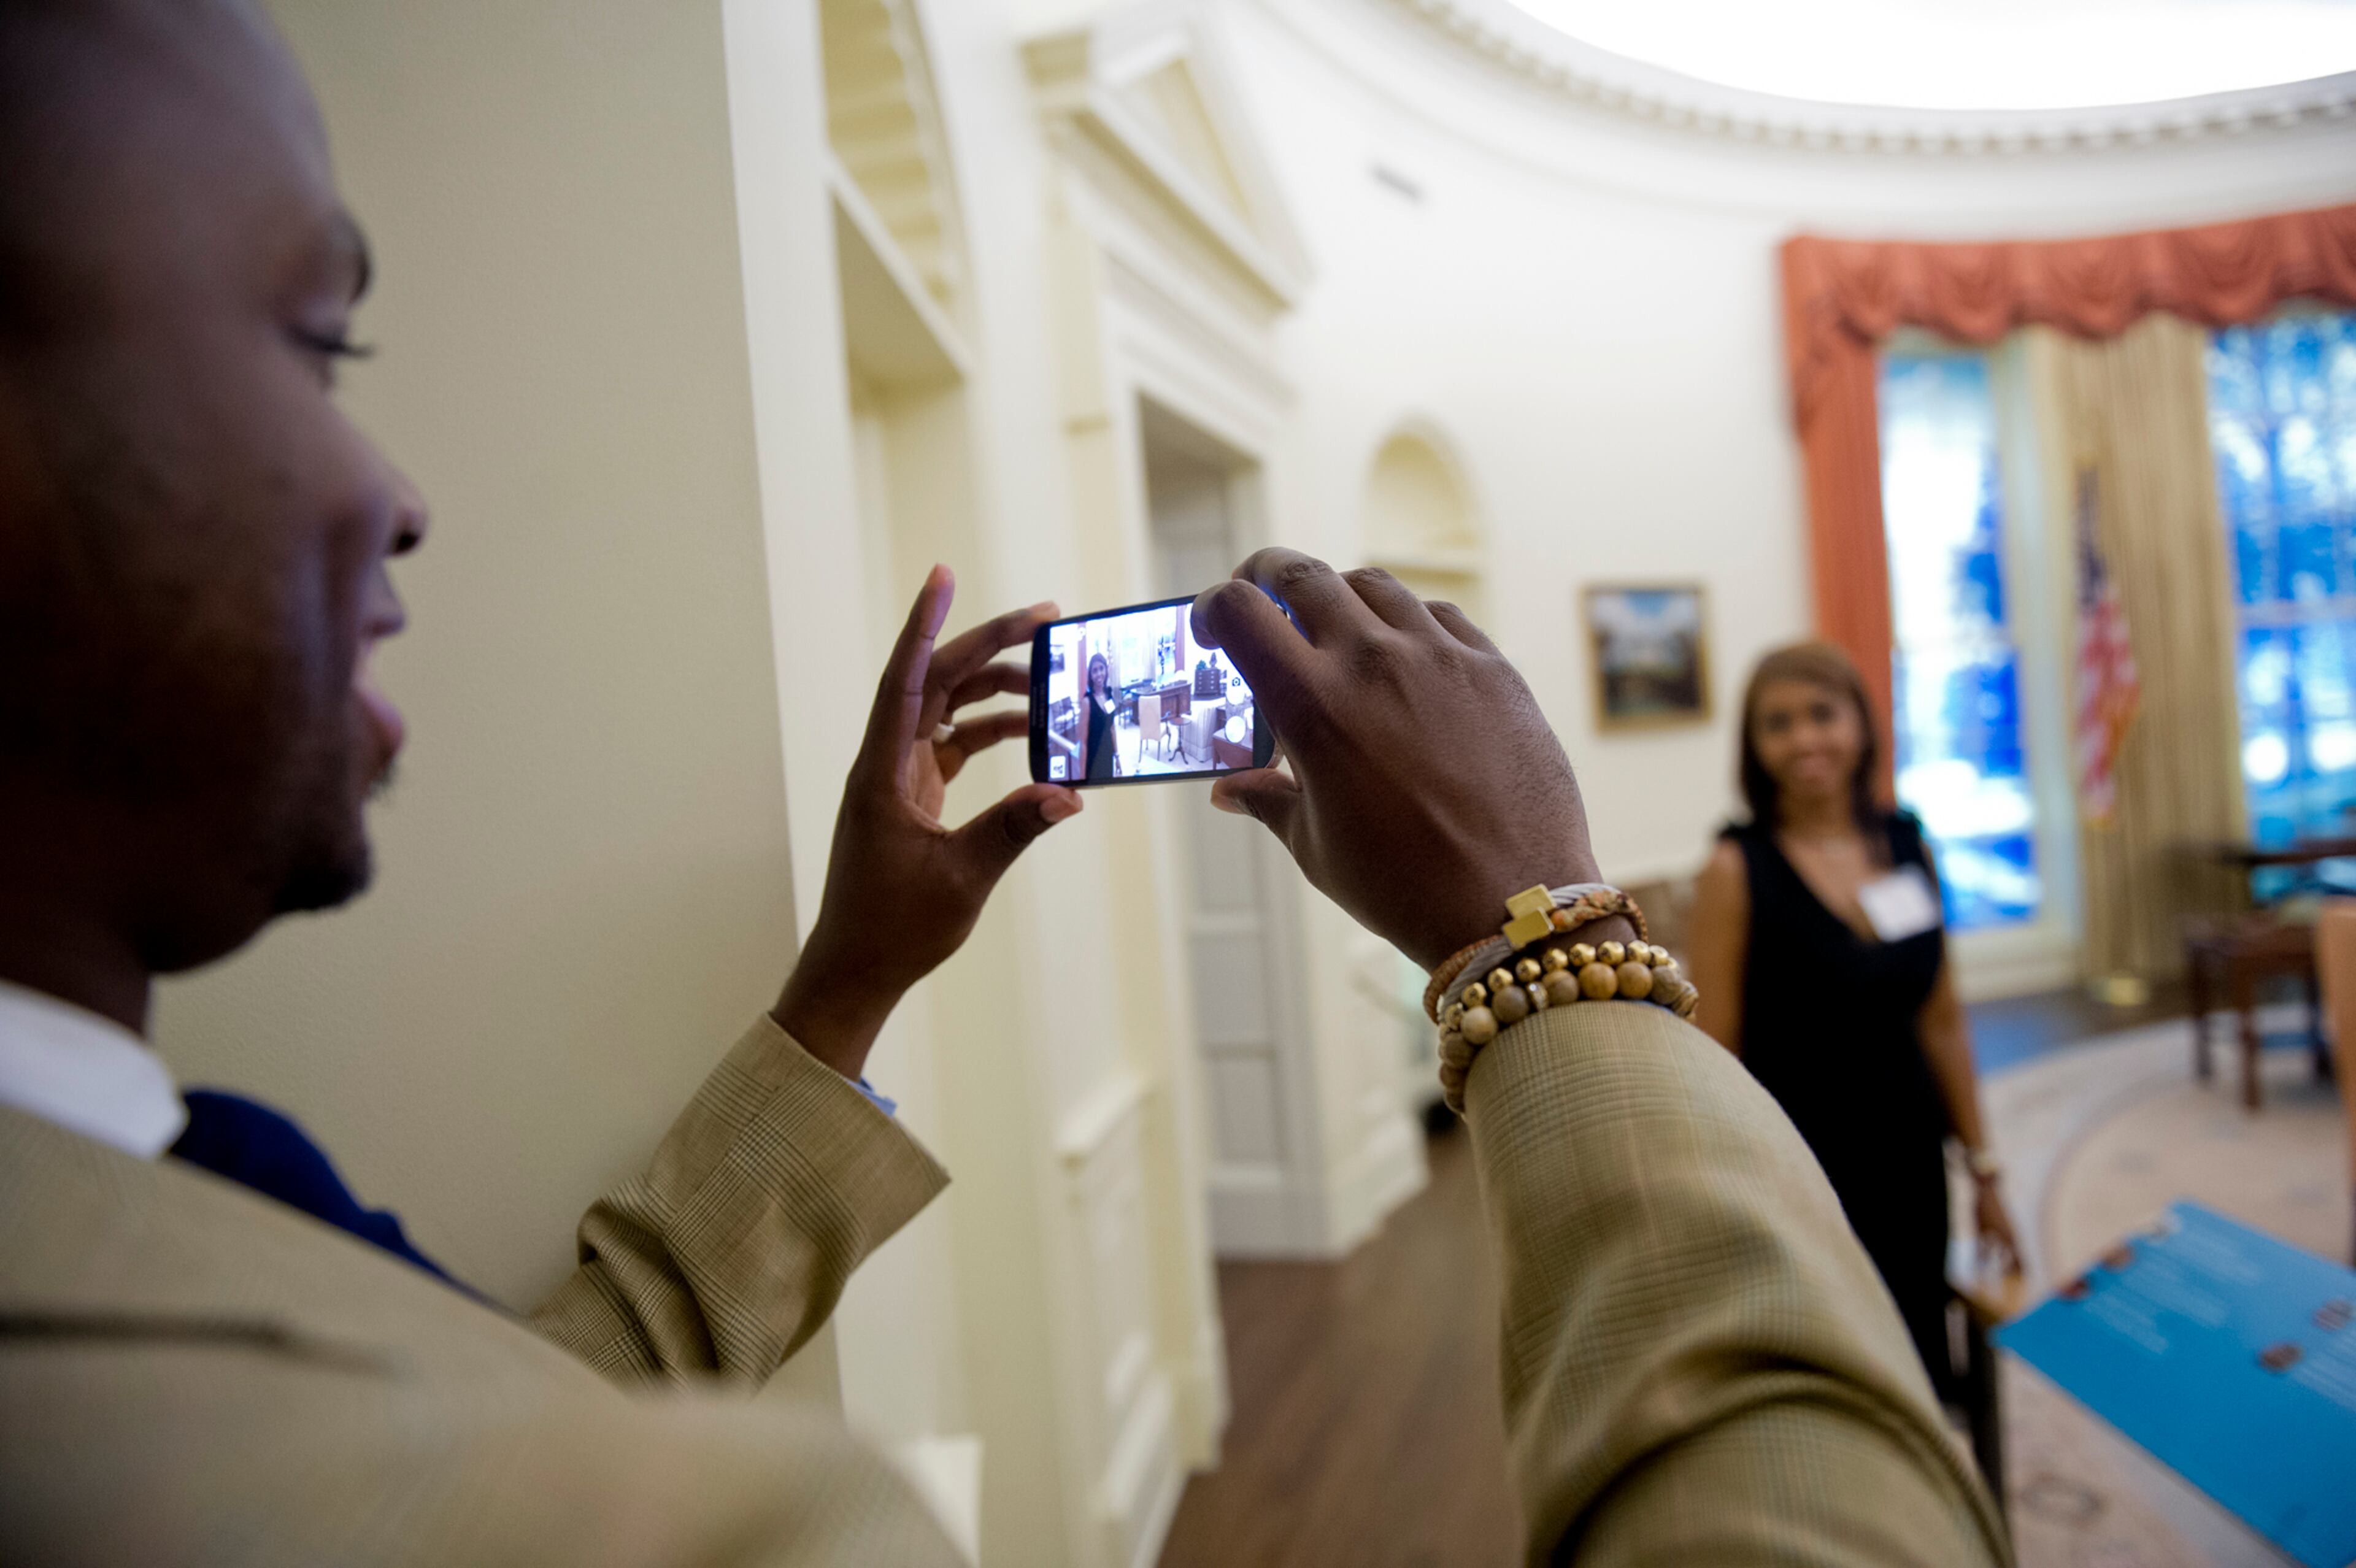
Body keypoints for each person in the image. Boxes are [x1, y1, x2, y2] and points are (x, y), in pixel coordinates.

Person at [0, 4, 2006, 1564]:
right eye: (316, 339)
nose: (399, 490)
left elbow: (519, 1391)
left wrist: (846, 985)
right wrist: (1537, 932)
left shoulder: (188, 1200)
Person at [1686, 642, 2022, 1403]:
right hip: (1801, 1164)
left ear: (1861, 727)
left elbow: (1941, 1021)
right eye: (1778, 723)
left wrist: (1985, 1171)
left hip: (1908, 1157)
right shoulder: (1734, 869)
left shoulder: (1908, 845)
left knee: (1917, 1359)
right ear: (1755, 746)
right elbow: (1717, 1059)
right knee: (1836, 1378)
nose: (1805, 739)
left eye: (1822, 714)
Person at [1084, 650, 1120, 781]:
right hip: (1093, 757)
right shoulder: (1087, 701)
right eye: (1095, 670)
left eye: (1101, 669)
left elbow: (1112, 728)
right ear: (1090, 675)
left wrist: (1117, 757)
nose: (1099, 674)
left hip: (1108, 754)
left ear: (1106, 670)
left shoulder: (1109, 695)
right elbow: (1082, 739)